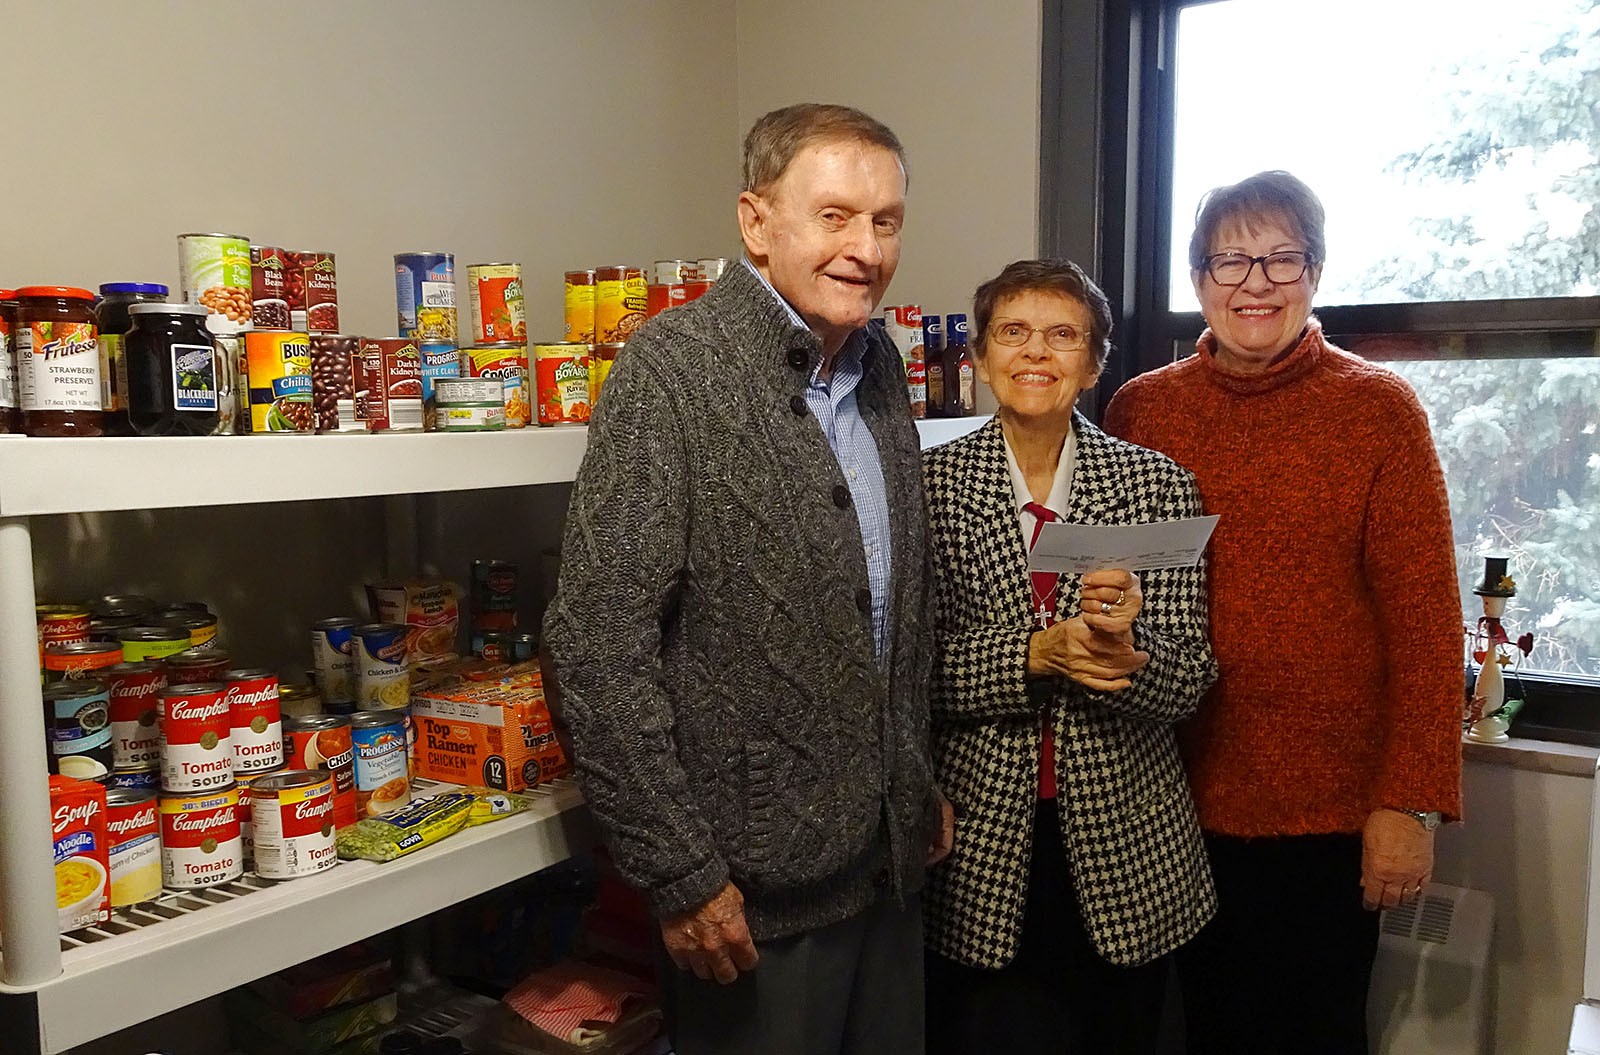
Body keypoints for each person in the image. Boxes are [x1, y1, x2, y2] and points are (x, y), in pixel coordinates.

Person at [542, 103, 951, 1055]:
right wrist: (679, 871)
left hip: (887, 865)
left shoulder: (879, 363)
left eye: (886, 221)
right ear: (757, 222)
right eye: (836, 215)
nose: (866, 247)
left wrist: (912, 774)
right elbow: (598, 644)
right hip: (748, 895)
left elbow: (896, 606)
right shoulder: (673, 371)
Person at [1104, 170, 1463, 1055]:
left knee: (1316, 1035)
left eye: (1280, 259)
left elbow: (1428, 628)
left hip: (1330, 819)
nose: (1254, 283)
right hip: (1168, 800)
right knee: (1199, 1032)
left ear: (1316, 274)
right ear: (1198, 282)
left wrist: (1410, 804)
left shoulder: (1378, 412)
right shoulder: (1142, 409)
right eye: (1230, 261)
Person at [921, 259, 1217, 1054]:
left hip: (1127, 842)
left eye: (1062, 336)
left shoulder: (1159, 487)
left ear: (1093, 364)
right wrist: (1034, 653)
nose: (1036, 353)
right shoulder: (925, 488)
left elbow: (1189, 678)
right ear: (979, 358)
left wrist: (1129, 652)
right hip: (978, 845)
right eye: (1012, 333)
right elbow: (902, 678)